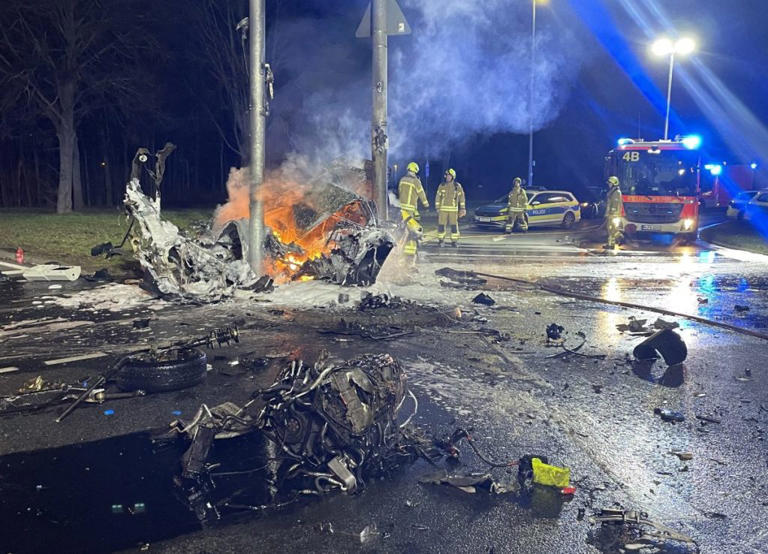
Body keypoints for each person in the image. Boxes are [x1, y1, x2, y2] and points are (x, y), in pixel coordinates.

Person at [398, 162, 429, 264]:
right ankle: (410, 252)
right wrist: (426, 205)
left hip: (401, 209)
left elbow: (399, 192)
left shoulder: (402, 179)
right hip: (410, 210)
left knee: (402, 230)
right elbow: (421, 194)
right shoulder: (416, 181)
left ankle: (399, 251)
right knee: (412, 231)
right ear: (415, 170)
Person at [435, 168, 466, 247]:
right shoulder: (442, 186)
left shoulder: (457, 186)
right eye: (447, 176)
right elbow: (437, 197)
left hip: (453, 211)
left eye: (449, 176)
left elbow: (462, 198)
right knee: (441, 226)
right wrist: (437, 208)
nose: (447, 177)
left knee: (454, 227)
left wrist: (462, 208)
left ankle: (454, 241)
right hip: (443, 210)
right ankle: (441, 241)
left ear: (453, 177)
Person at [605, 175, 624, 248]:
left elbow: (615, 204)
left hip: (614, 214)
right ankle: (611, 243)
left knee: (611, 229)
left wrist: (611, 213)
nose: (609, 184)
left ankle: (614, 242)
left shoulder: (616, 192)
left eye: (610, 183)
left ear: (613, 184)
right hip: (612, 214)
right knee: (611, 229)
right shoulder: (613, 191)